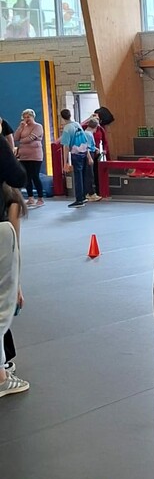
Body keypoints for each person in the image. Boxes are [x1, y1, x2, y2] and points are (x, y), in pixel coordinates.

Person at [0, 136, 28, 397]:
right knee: (2, 311)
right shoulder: (13, 201)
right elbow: (13, 246)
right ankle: (2, 372)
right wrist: (17, 284)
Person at [59, 108, 90, 208]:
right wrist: (88, 155)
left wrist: (65, 162)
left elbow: (66, 146)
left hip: (76, 154)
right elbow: (85, 140)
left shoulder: (67, 129)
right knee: (83, 175)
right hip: (83, 152)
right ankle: (83, 196)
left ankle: (79, 199)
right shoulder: (77, 124)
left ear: (62, 117)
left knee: (78, 177)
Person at [14, 109, 44, 207]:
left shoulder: (38, 126)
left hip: (35, 156)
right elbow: (15, 138)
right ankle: (30, 198)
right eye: (25, 117)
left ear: (33, 117)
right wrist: (20, 128)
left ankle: (40, 198)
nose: (27, 119)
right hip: (23, 156)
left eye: (28, 117)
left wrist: (22, 140)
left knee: (35, 176)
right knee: (26, 177)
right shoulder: (23, 127)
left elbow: (31, 138)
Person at [83, 118, 102, 202]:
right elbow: (86, 147)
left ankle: (89, 192)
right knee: (89, 174)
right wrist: (90, 158)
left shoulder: (87, 133)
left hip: (91, 152)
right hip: (89, 154)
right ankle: (90, 193)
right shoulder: (88, 134)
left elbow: (90, 145)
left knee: (90, 174)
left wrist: (95, 148)